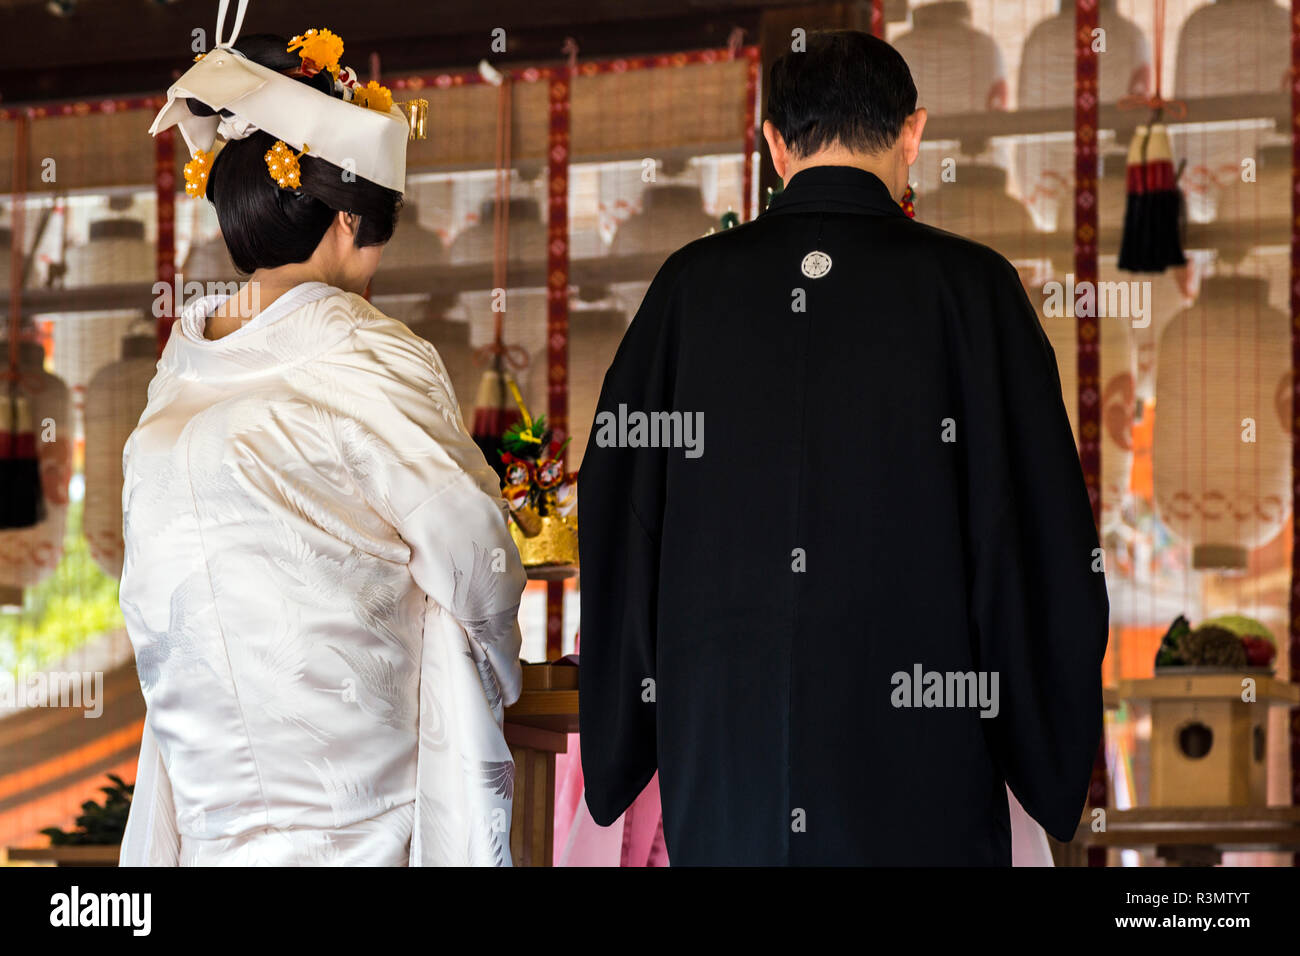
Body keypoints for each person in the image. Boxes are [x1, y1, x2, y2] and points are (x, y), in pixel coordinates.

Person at [578, 29, 1109, 865]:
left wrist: (634, 720)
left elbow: (617, 508)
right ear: (913, 133)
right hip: (919, 744)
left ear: (776, 145)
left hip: (729, 751)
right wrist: (1031, 729)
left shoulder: (690, 287)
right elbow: (1037, 528)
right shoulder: (971, 289)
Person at [118, 4, 525, 866]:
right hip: (352, 795)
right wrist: (494, 660)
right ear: (348, 223)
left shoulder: (179, 370)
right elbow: (473, 548)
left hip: (208, 794)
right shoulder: (364, 348)